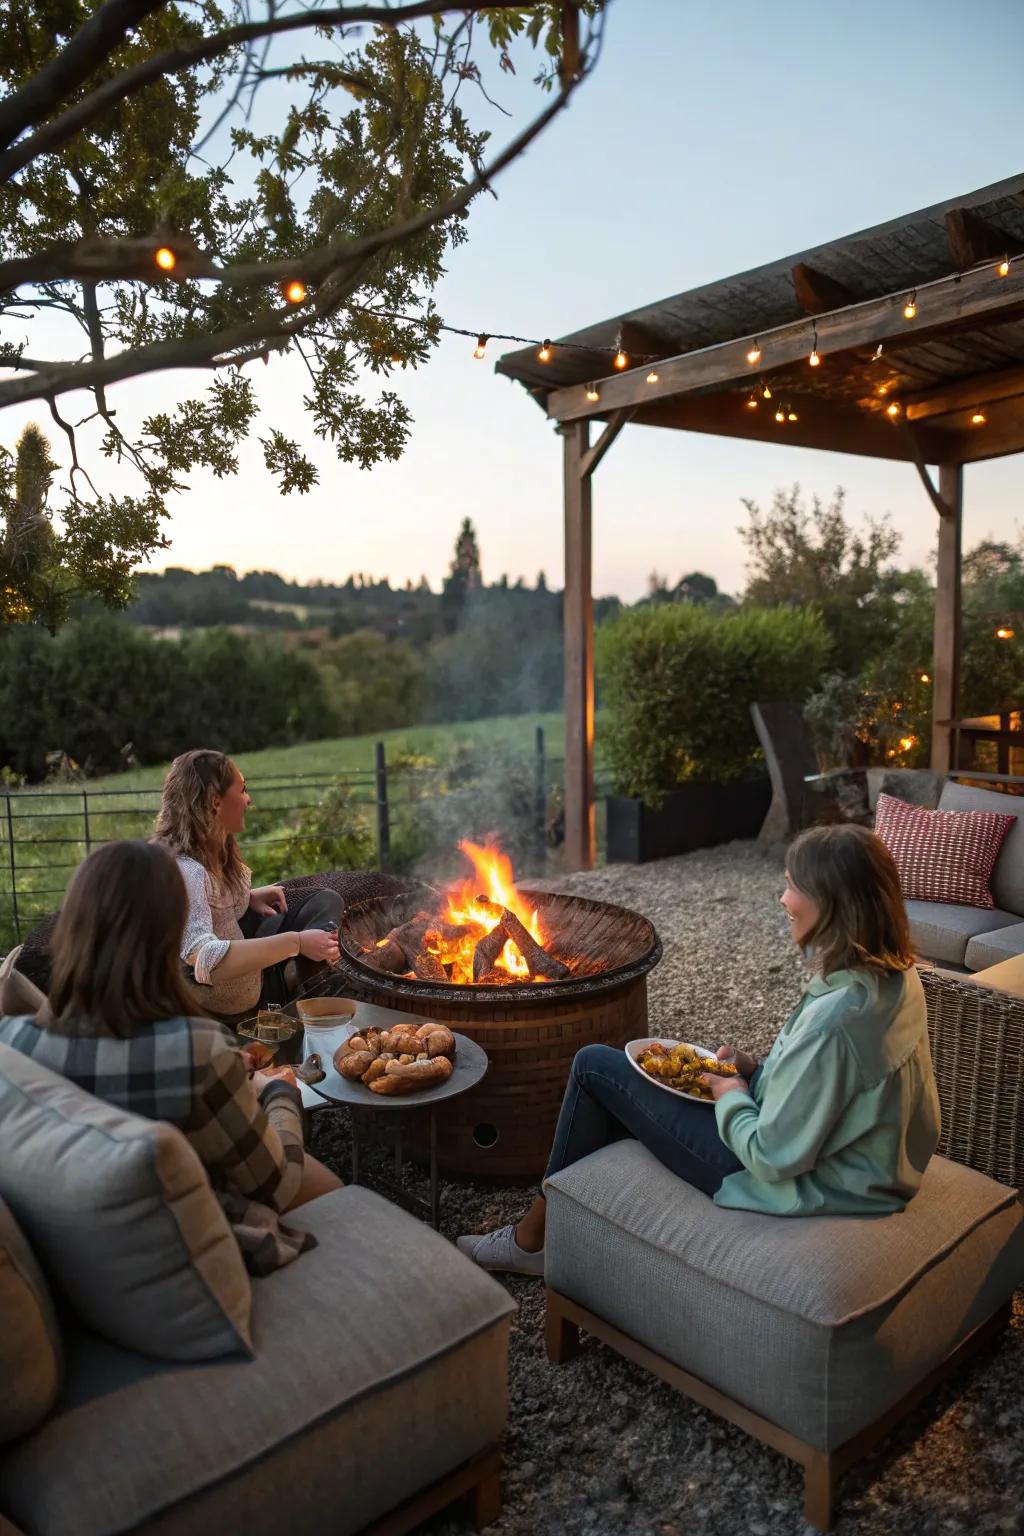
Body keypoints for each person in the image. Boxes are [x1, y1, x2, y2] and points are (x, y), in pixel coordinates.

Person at [458, 822, 941, 1276]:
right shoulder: (896, 978)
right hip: (870, 1167)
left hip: (793, 1182)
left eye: (793, 886)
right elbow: (835, 1083)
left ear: (832, 904)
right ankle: (579, 1224)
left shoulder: (837, 1020)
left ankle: (530, 1242)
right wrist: (756, 1070)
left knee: (594, 1068)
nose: (783, 898)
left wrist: (730, 1092)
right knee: (630, 1077)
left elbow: (772, 1155)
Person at [0, 840, 342, 1270]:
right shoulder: (195, 1053)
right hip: (193, 1248)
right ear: (167, 933)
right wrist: (279, 1095)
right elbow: (275, 1184)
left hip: (79, 1250)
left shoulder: (12, 1042)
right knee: (335, 1187)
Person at [153, 748, 342, 1022]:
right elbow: (206, 959)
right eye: (242, 790)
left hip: (257, 977)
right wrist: (297, 943)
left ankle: (301, 979)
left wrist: (248, 897)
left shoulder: (216, 847)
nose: (248, 800)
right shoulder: (186, 870)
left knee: (325, 901)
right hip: (224, 1014)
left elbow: (212, 907)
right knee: (307, 936)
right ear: (215, 802)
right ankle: (307, 1004)